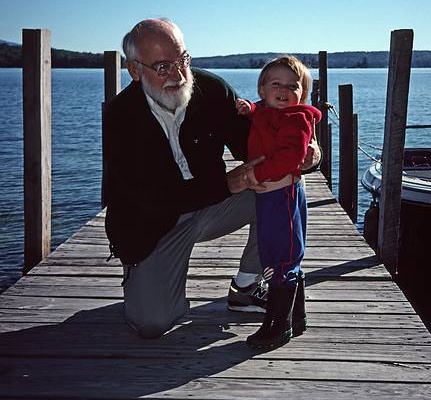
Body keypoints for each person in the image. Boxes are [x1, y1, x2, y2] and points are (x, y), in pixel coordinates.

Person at [103, 18, 320, 339]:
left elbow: (254, 143)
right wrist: (228, 184)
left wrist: (308, 151)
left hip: (212, 206)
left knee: (283, 181)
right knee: (152, 322)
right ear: (135, 70)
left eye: (183, 60)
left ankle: (248, 285)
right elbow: (146, 198)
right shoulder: (120, 116)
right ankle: (143, 275)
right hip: (153, 225)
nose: (178, 75)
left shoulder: (212, 90)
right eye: (163, 67)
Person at [235, 56, 321, 350]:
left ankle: (277, 325)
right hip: (270, 195)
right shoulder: (269, 111)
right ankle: (296, 317)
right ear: (262, 89)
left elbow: (289, 157)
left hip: (280, 195)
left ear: (303, 95)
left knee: (280, 256)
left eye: (293, 87)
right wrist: (249, 108)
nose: (284, 91)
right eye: (276, 84)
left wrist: (255, 174)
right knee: (278, 252)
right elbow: (262, 117)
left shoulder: (297, 119)